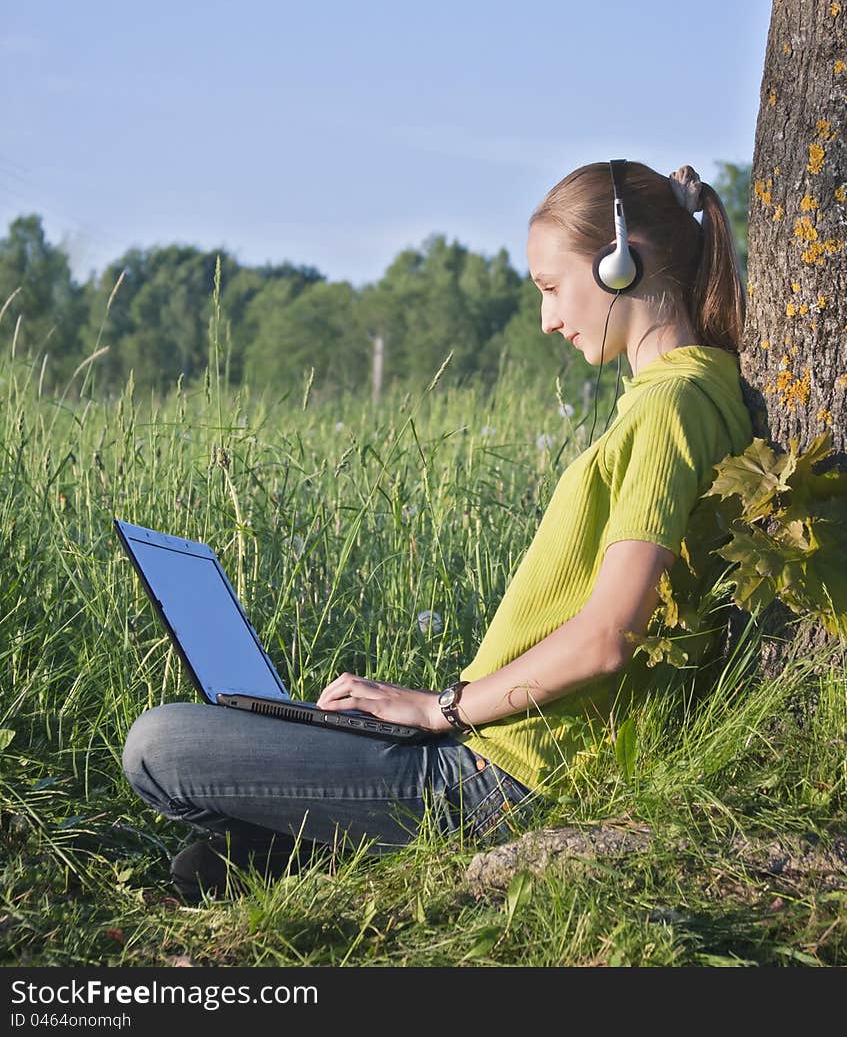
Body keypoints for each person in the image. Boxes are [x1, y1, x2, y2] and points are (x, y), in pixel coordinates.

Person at [122, 159, 754, 902]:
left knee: (158, 744)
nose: (548, 318)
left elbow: (609, 635)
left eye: (552, 288)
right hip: (501, 754)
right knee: (209, 850)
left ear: (621, 263)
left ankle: (330, 843)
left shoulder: (670, 407)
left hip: (510, 777)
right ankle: (312, 848)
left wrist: (441, 708)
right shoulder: (695, 393)